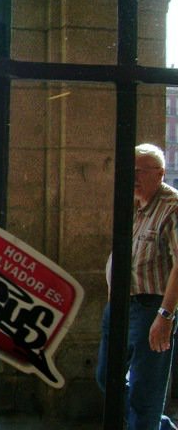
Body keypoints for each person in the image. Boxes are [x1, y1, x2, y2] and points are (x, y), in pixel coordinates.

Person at [96, 143, 178, 430]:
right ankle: (157, 425)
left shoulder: (172, 208)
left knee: (145, 393)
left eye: (139, 171)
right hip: (119, 307)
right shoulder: (134, 205)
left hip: (149, 309)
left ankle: (148, 423)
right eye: (129, 171)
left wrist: (165, 315)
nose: (133, 177)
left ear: (160, 173)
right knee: (106, 378)